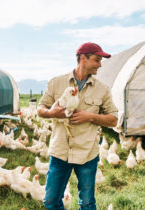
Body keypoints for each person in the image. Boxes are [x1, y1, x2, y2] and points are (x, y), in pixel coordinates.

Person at [37, 42, 118, 210]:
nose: (100, 64)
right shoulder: (56, 83)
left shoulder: (102, 89)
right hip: (61, 152)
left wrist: (90, 116)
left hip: (87, 153)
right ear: (83, 58)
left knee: (87, 204)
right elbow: (40, 109)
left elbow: (114, 120)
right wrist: (52, 113)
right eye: (97, 60)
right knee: (50, 201)